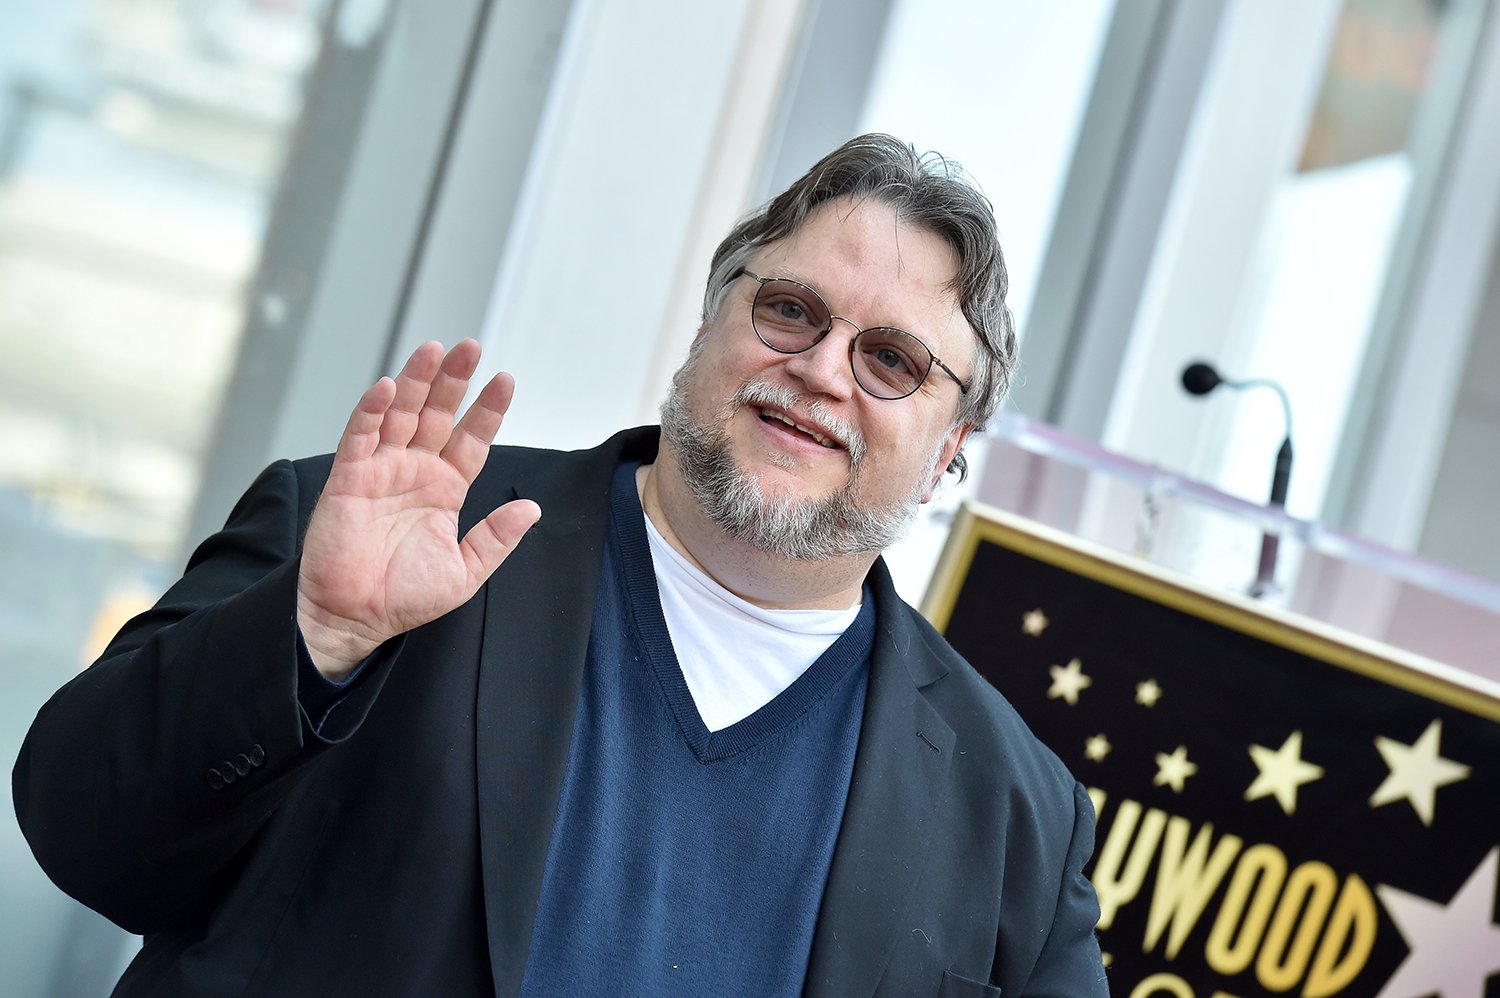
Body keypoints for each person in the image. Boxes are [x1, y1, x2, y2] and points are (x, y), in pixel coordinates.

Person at [15, 133, 1106, 996]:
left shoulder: (1016, 812)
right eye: (789, 309)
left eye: (891, 360)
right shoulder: (391, 529)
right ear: (709, 320)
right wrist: (315, 639)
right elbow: (82, 829)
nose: (821, 369)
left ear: (950, 450)